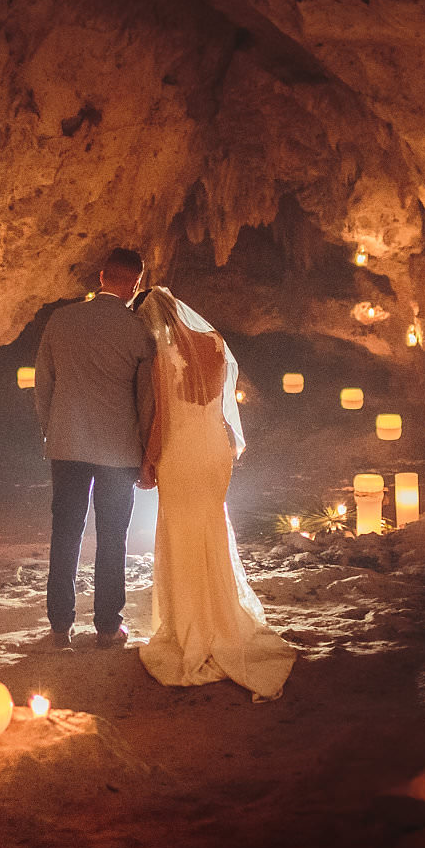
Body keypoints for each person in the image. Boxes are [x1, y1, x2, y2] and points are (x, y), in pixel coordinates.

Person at [135, 287, 294, 700]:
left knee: (182, 533)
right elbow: (221, 402)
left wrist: (148, 461)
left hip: (182, 451)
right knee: (210, 528)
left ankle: (194, 626)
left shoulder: (163, 358)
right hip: (214, 448)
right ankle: (222, 619)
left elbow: (162, 421)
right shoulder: (216, 343)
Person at [34, 248, 155, 649]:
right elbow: (147, 396)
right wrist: (148, 450)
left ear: (101, 276)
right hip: (119, 449)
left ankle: (59, 626)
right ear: (135, 285)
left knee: (65, 533)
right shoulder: (136, 329)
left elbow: (44, 384)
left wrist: (51, 431)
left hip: (67, 442)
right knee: (112, 536)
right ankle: (107, 626)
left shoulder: (62, 320)